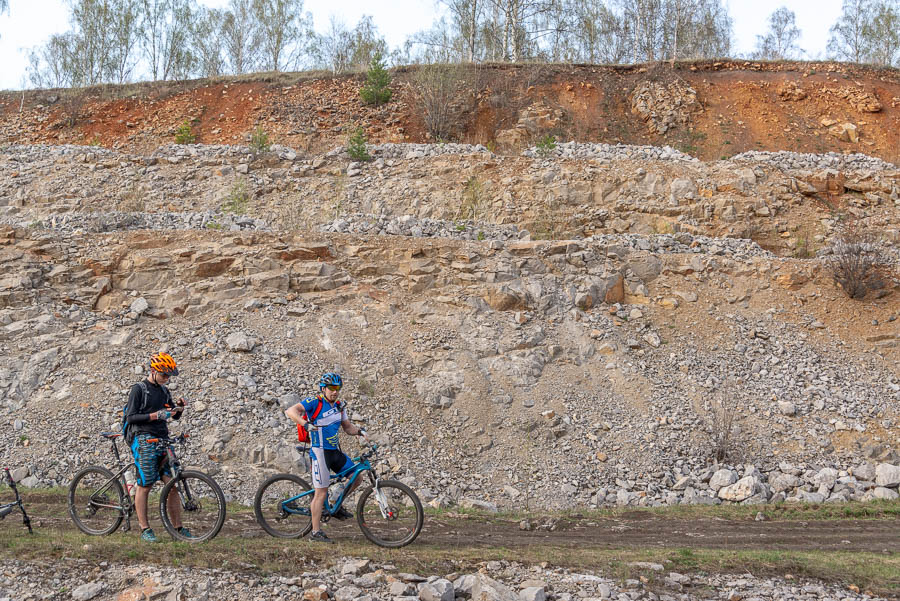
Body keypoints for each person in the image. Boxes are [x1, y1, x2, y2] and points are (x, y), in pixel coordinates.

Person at [285, 372, 369, 544]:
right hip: (320, 452)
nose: (335, 392)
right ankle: (315, 533)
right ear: (323, 388)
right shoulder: (314, 402)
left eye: (337, 388)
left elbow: (347, 427)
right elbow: (290, 411)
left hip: (334, 452)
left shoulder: (339, 406)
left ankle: (336, 505)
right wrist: (305, 424)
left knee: (357, 478)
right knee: (320, 493)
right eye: (331, 388)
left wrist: (360, 432)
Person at [124, 352, 188, 542]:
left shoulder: (164, 390)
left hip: (162, 438)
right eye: (164, 375)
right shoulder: (139, 389)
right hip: (143, 438)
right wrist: (155, 416)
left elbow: (170, 414)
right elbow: (131, 417)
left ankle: (178, 528)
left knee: (173, 483)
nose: (167, 379)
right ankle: (145, 529)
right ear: (153, 371)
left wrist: (178, 410)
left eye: (169, 376)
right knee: (146, 484)